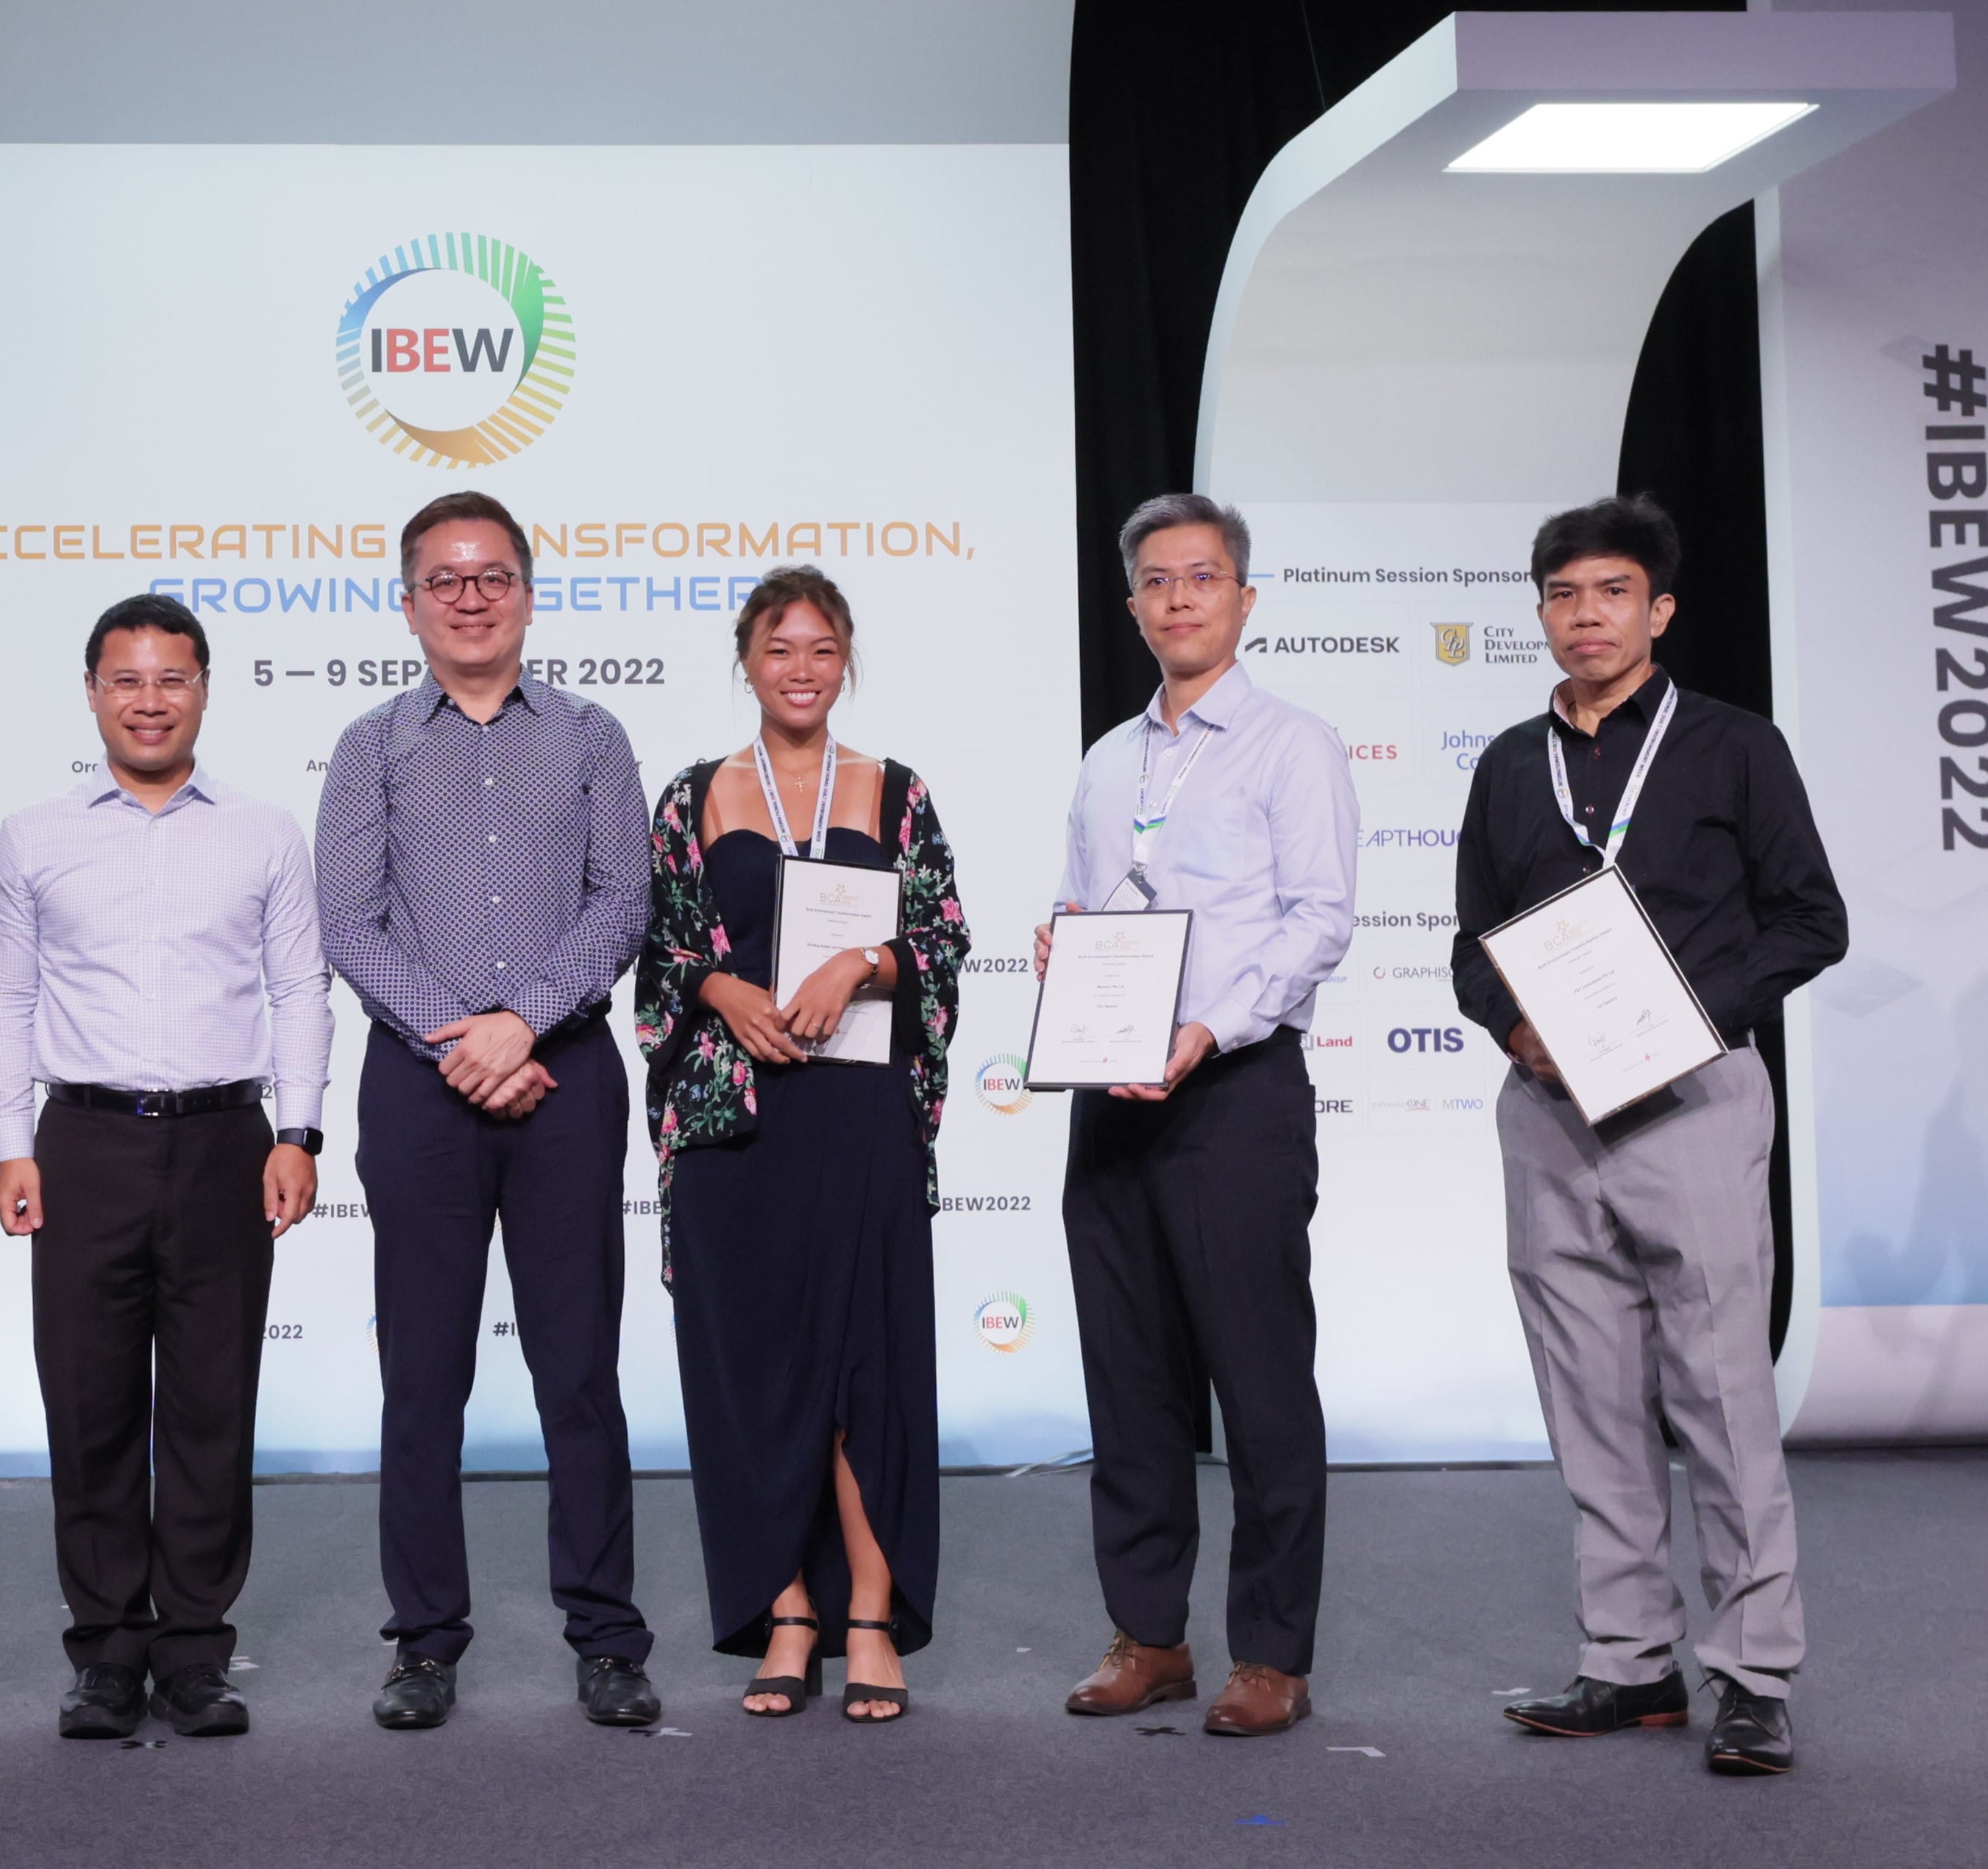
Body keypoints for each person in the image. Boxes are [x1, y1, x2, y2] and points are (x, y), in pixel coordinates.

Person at [1453, 495, 1845, 1778]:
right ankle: (1629, 1661)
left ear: (1659, 610)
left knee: (1722, 1391)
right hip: (1550, 1113)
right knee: (1590, 1395)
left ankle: (1754, 1673)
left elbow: (1812, 919)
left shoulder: (1734, 745)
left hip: (1692, 1099)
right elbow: (1472, 944)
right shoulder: (1511, 762)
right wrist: (1515, 1027)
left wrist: (1682, 1019)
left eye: (1613, 592)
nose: (1587, 615)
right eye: (1564, 595)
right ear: (1542, 614)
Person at [316, 489, 660, 1731]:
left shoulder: (591, 735)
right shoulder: (371, 746)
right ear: (409, 603)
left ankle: (607, 1636)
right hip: (421, 1089)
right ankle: (423, 1640)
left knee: (581, 1372)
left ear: (526, 591)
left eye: (493, 575)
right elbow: (349, 920)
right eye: (446, 579)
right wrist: (463, 1037)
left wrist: (524, 1022)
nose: (471, 597)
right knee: (423, 1377)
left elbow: (623, 901)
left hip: (565, 1080)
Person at [0, 595, 331, 1741]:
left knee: (211, 1405)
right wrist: (11, 1143)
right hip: (83, 1142)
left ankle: (195, 1651)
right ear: (91, 692)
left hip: (228, 1140)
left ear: (205, 689)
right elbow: (4, 997)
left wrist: (298, 1131)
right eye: (126, 678)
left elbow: (301, 989)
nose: (149, 699)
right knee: (88, 1405)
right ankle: (105, 1651)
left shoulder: (265, 832)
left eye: (171, 677)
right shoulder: (34, 835)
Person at [1041, 492, 1357, 1737]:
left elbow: (1320, 918)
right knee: (1129, 1382)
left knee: (1262, 1382)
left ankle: (1271, 1653)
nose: (1180, 598)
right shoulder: (1105, 762)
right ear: (1133, 606)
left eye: (1204, 576)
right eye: (1159, 581)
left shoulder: (1293, 744)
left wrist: (1207, 1028)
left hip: (1233, 1092)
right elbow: (1082, 903)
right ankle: (1151, 1636)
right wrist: (1064, 954)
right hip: (1111, 1098)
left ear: (1244, 597)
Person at [639, 568, 968, 1724]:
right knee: (755, 1373)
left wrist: (862, 962)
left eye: (822, 648)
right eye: (780, 648)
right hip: (736, 1125)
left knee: (865, 1370)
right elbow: (660, 952)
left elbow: (942, 939)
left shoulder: (897, 791)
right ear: (747, 661)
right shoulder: (692, 797)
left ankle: (870, 1615)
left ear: (847, 661)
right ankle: (786, 1611)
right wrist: (719, 988)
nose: (801, 668)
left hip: (860, 1114)